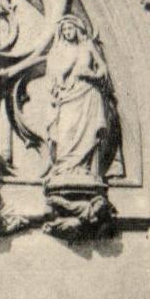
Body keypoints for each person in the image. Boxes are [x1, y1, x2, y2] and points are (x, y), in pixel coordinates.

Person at [44, 16, 113, 183]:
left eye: (70, 28)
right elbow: (53, 76)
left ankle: (83, 168)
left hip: (88, 93)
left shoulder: (87, 46)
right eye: (65, 30)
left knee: (87, 134)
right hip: (68, 95)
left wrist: (92, 75)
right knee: (66, 131)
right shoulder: (59, 51)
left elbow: (102, 68)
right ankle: (65, 167)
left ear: (77, 28)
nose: (68, 32)